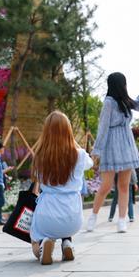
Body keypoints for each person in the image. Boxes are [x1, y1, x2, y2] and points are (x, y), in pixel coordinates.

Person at [86, 69, 139, 233]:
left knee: (124, 185)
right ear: (121, 85)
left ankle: (122, 220)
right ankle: (93, 216)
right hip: (111, 146)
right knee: (106, 186)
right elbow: (103, 126)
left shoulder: (125, 101)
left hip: (127, 145)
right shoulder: (109, 102)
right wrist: (97, 151)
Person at [29, 111, 92, 265]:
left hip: (47, 216)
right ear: (68, 131)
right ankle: (67, 243)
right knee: (65, 226)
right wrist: (73, 142)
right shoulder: (79, 155)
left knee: (35, 239)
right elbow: (90, 163)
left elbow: (36, 178)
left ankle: (43, 244)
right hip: (73, 219)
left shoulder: (40, 156)